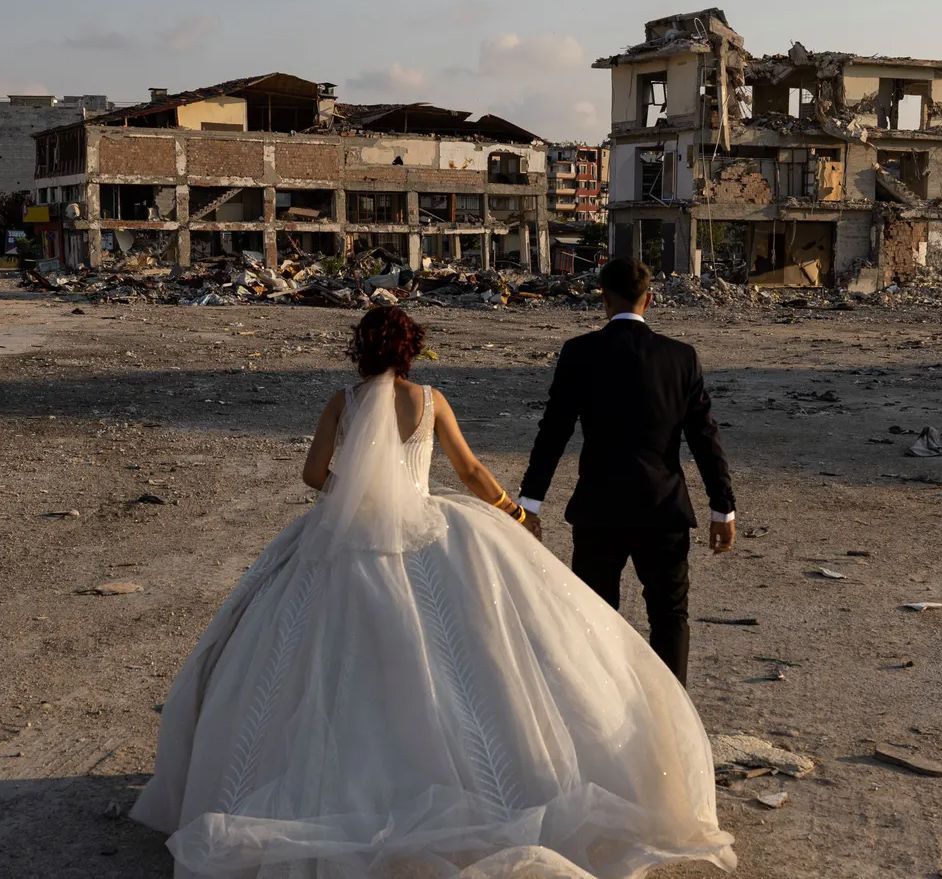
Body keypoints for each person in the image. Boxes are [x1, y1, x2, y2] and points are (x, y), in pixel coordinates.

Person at [133, 306, 734, 879]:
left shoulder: (341, 403)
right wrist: (511, 510)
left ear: (361, 350)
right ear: (411, 350)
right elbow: (469, 470)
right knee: (463, 655)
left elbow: (313, 474)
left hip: (345, 539)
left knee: (310, 659)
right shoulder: (429, 401)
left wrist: (358, 488)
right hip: (423, 530)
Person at [518, 257, 737, 686]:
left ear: (603, 299)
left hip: (599, 509)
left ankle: (600, 710)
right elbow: (704, 437)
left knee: (595, 615)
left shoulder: (580, 353)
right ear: (649, 300)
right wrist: (722, 507)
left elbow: (554, 431)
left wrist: (530, 502)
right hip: (663, 509)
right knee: (670, 617)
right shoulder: (681, 358)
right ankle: (673, 724)